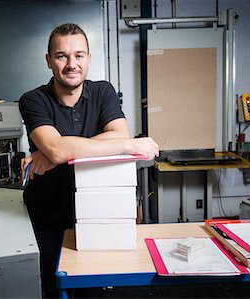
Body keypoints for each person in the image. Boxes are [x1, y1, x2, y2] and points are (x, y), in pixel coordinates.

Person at [18, 23, 159, 298]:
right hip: (47, 217)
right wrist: (127, 145)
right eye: (62, 56)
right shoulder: (32, 99)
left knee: (90, 289)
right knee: (51, 287)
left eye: (79, 55)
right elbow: (59, 149)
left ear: (89, 58)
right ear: (49, 61)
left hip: (95, 213)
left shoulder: (103, 91)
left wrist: (55, 154)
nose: (72, 64)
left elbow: (113, 135)